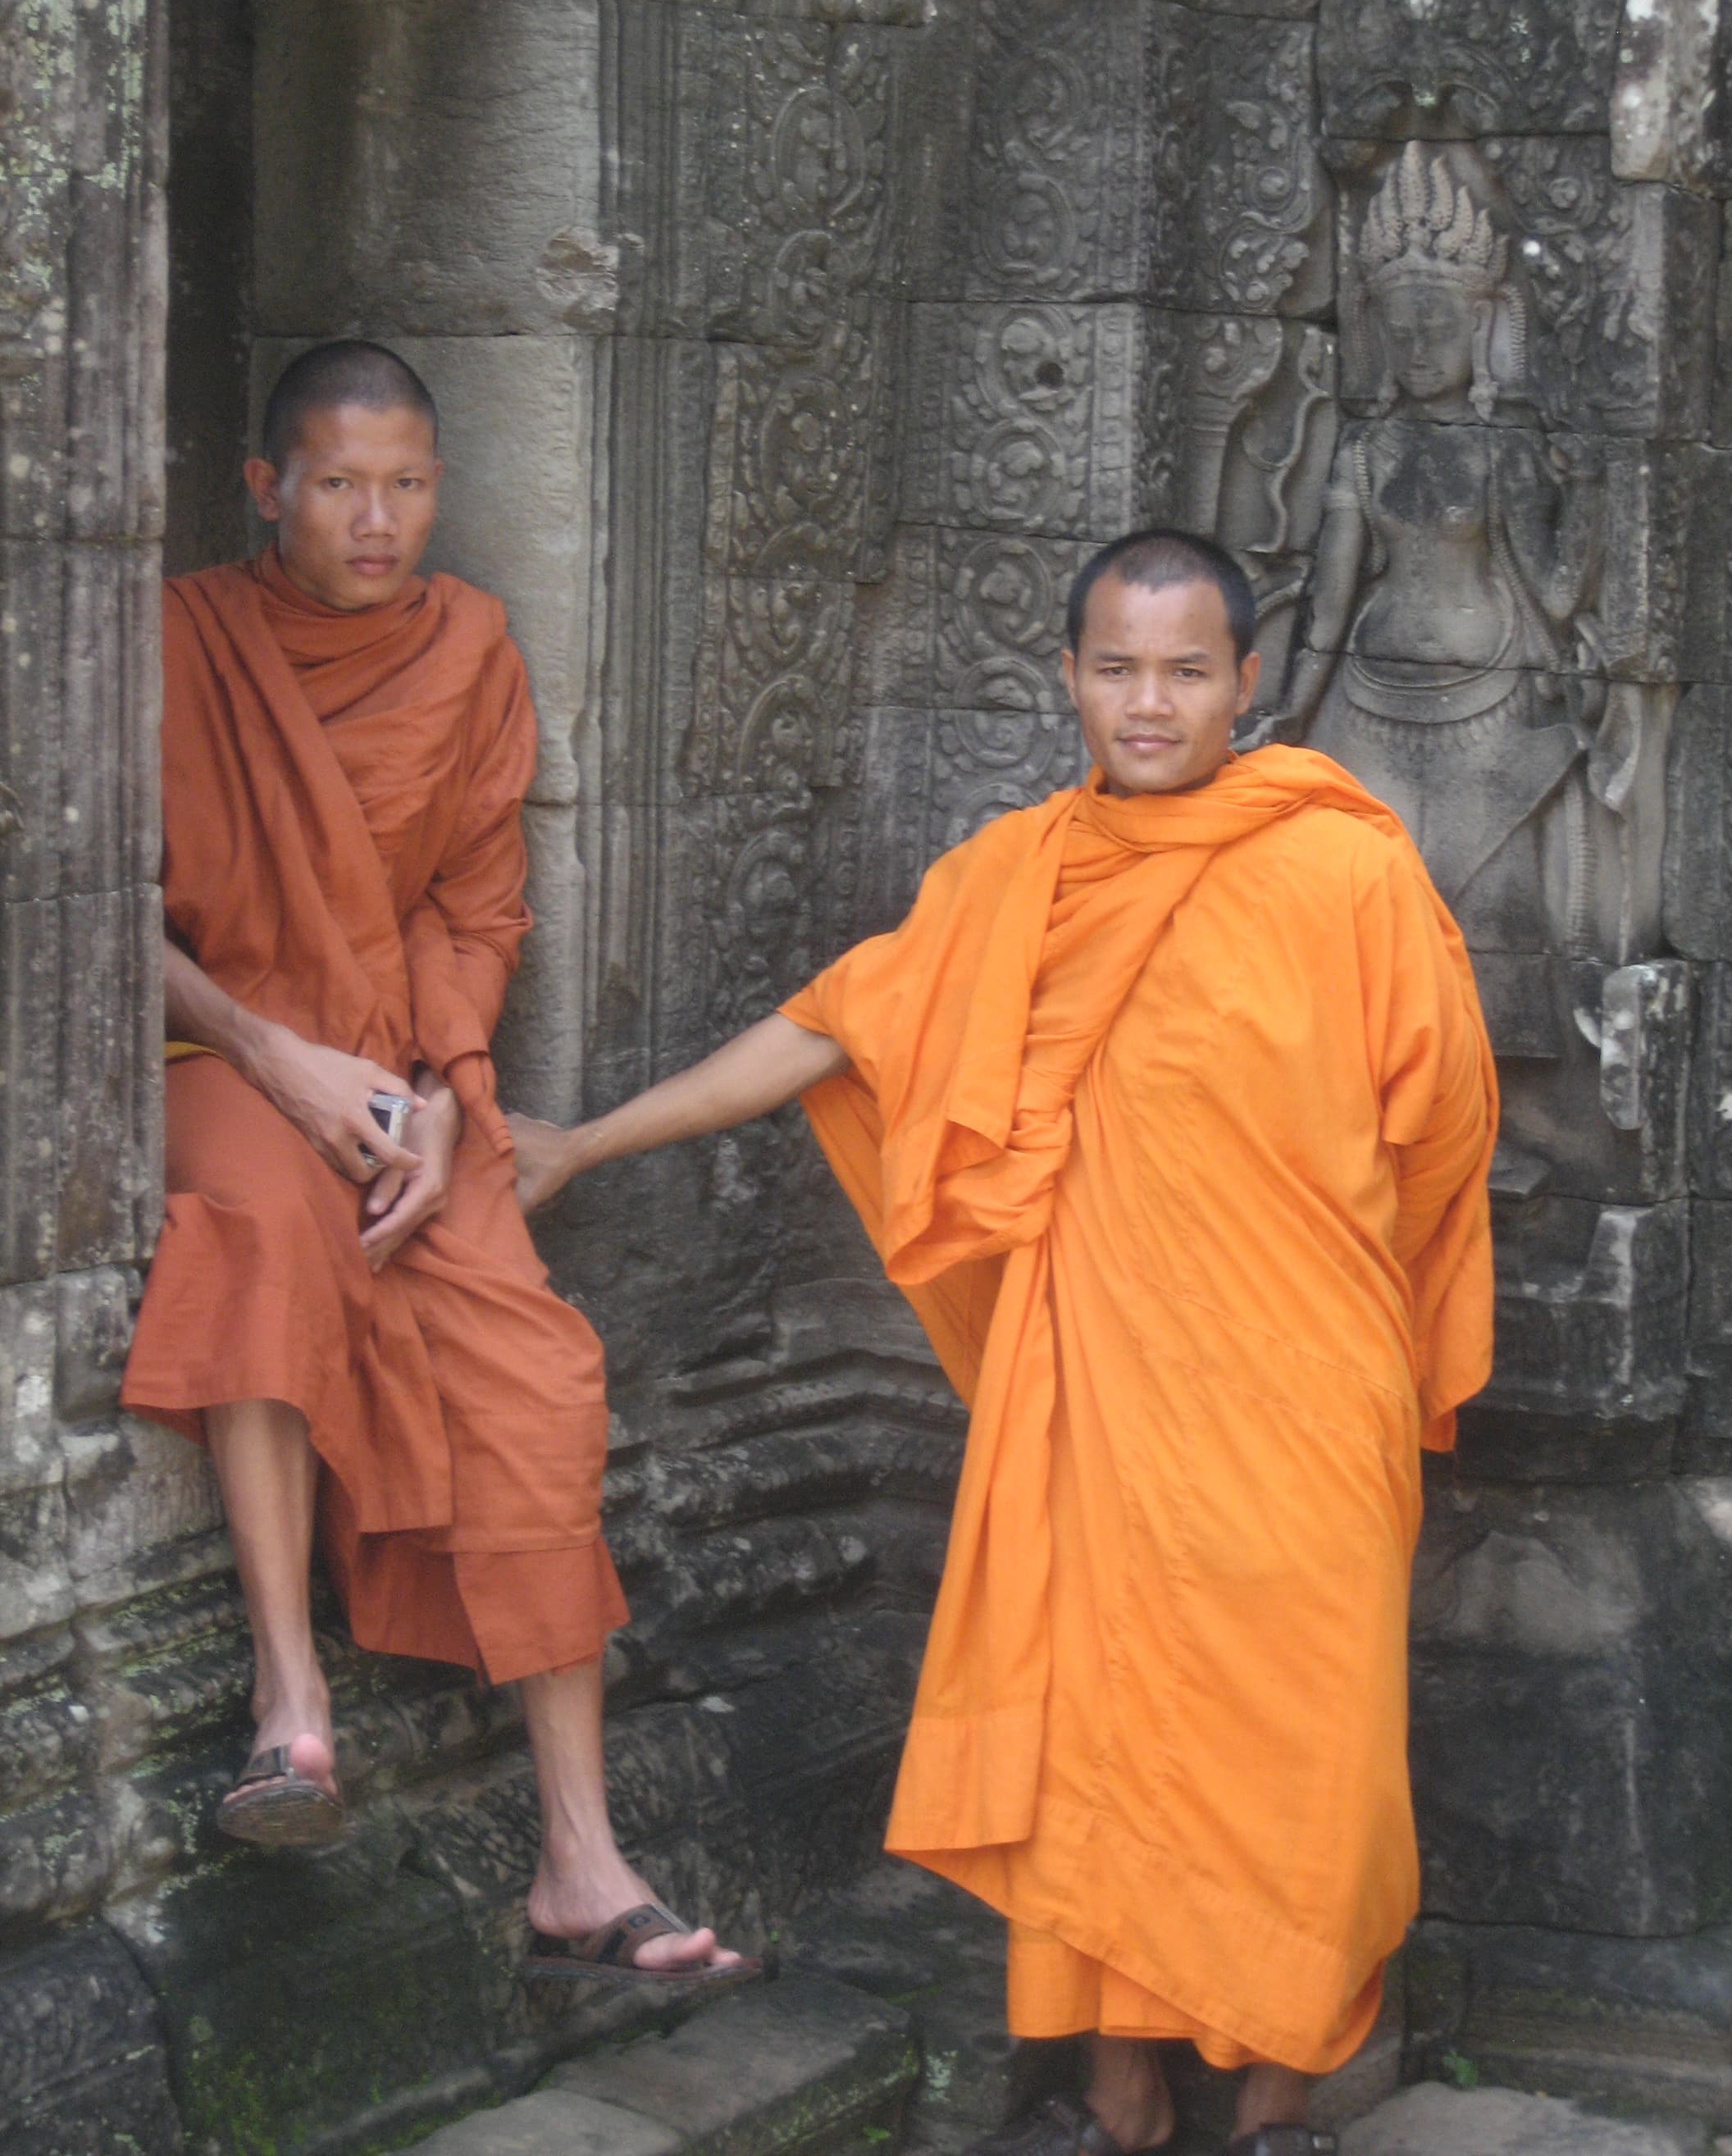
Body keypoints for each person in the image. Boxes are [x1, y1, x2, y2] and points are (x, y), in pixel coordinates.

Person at [508, 527, 1497, 2153]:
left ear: (1248, 681)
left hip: (1304, 1392)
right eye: (1117, 666)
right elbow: (833, 1022)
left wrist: (1303, 1303)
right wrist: (589, 1141)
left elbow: (1443, 1132)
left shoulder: (1348, 870)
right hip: (1098, 1401)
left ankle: (1279, 2103)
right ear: (1068, 677)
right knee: (1093, 1729)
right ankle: (1119, 2098)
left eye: (1188, 669)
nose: (1151, 701)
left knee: (1310, 1751)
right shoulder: (1019, 878)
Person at [123, 340, 752, 1988]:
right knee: (260, 1226)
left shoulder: (468, 644)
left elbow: (478, 906)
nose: (376, 516)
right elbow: (84, 894)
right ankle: (288, 1706)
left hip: (407, 1076)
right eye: (338, 482)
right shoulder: (175, 635)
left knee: (537, 1377)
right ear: (266, 488)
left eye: (405, 482)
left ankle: (579, 1850)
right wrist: (275, 1054)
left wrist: (444, 1098)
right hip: (221, 1051)